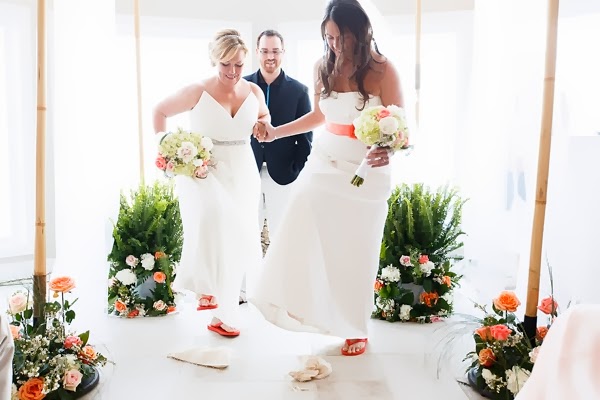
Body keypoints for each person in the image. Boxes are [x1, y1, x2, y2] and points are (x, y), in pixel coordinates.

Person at [249, 0, 404, 356]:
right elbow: (320, 116)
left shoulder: (383, 70)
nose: (334, 44)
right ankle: (293, 299)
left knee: (355, 251)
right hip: (325, 162)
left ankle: (355, 327)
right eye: (329, 37)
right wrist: (275, 133)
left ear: (359, 32)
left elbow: (401, 123)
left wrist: (389, 149)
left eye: (341, 37)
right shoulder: (323, 66)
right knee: (301, 216)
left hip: (366, 170)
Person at [152, 29, 269, 337]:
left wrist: (263, 125)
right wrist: (171, 150)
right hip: (205, 170)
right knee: (214, 221)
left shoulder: (254, 92)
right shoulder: (197, 90)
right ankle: (206, 288)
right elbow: (160, 111)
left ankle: (224, 313)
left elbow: (265, 117)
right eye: (225, 64)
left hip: (243, 169)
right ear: (214, 60)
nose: (232, 72)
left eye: (238, 65)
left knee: (241, 237)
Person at [239, 29, 313, 304]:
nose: (270, 57)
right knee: (248, 230)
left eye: (275, 51)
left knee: (284, 233)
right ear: (257, 52)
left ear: (283, 53)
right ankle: (245, 291)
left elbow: (306, 140)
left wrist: (296, 168)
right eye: (265, 51)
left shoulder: (299, 91)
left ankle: (284, 291)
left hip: (284, 174)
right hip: (248, 171)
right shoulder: (243, 86)